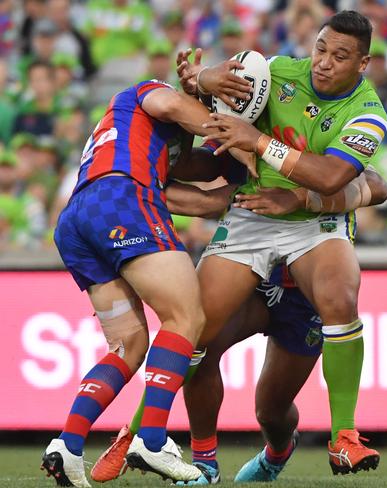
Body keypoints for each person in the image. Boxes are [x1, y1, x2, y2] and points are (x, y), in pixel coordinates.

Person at [175, 10, 387, 476]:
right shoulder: (276, 73)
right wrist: (205, 79)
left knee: (271, 407)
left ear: (363, 63)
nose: (324, 63)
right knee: (195, 336)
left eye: (340, 56)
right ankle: (198, 462)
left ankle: (307, 445)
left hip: (310, 231)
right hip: (253, 222)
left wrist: (260, 144)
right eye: (321, 49)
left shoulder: (368, 114)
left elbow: (334, 177)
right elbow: (220, 89)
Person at [88, 167, 387, 484]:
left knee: (271, 410)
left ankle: (276, 453)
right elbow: (205, 166)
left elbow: (377, 184)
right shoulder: (253, 130)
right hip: (251, 276)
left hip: (304, 296)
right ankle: (197, 459)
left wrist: (306, 195)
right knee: (198, 343)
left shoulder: (326, 138)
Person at [40, 67, 254, 487]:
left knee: (129, 344)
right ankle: (152, 439)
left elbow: (206, 194)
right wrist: (247, 140)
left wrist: (247, 175)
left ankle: (68, 444)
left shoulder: (150, 146)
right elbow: (174, 104)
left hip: (79, 218)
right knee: (187, 317)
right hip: (120, 199)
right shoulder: (147, 94)